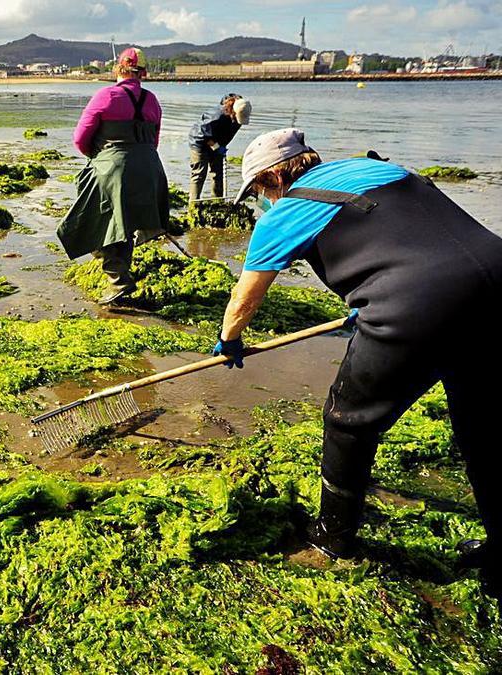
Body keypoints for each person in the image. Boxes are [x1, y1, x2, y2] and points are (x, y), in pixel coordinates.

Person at [213, 128, 502, 595]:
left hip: (415, 304)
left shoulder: (286, 212)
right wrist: (376, 287)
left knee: (348, 421)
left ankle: (333, 537)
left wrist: (229, 339)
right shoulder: (378, 169)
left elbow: (244, 297)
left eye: (260, 191)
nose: (262, 202)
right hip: (495, 281)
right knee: (484, 433)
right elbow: (421, 238)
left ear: (271, 177)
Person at [62, 47, 169, 304]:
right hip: (150, 169)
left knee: (93, 224)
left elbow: (80, 140)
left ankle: (118, 280)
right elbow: (153, 140)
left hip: (113, 168)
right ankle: (120, 284)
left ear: (118, 68)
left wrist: (100, 159)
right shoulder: (152, 100)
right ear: (143, 72)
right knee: (126, 225)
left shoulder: (106, 96)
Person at [188, 93, 252, 201]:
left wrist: (221, 146)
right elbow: (204, 135)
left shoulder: (241, 111)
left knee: (218, 174)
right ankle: (193, 203)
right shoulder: (217, 116)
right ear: (233, 112)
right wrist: (217, 147)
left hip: (217, 142)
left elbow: (226, 133)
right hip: (200, 142)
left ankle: (217, 202)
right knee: (199, 174)